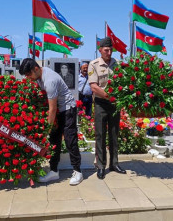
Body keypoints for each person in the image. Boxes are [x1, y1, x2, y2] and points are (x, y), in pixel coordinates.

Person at [19, 58, 83, 186]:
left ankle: (77, 171)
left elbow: (52, 109)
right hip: (59, 110)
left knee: (70, 140)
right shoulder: (39, 75)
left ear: (36, 69)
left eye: (28, 74)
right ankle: (54, 171)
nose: (28, 77)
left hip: (67, 109)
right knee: (54, 141)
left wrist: (47, 130)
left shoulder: (50, 80)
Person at [88, 37, 126, 180]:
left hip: (114, 104)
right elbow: (94, 86)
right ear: (100, 50)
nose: (109, 52)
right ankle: (101, 166)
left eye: (110, 50)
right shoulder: (94, 64)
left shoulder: (116, 64)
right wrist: (109, 97)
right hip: (101, 103)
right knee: (100, 135)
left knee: (114, 134)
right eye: (106, 50)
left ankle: (114, 164)